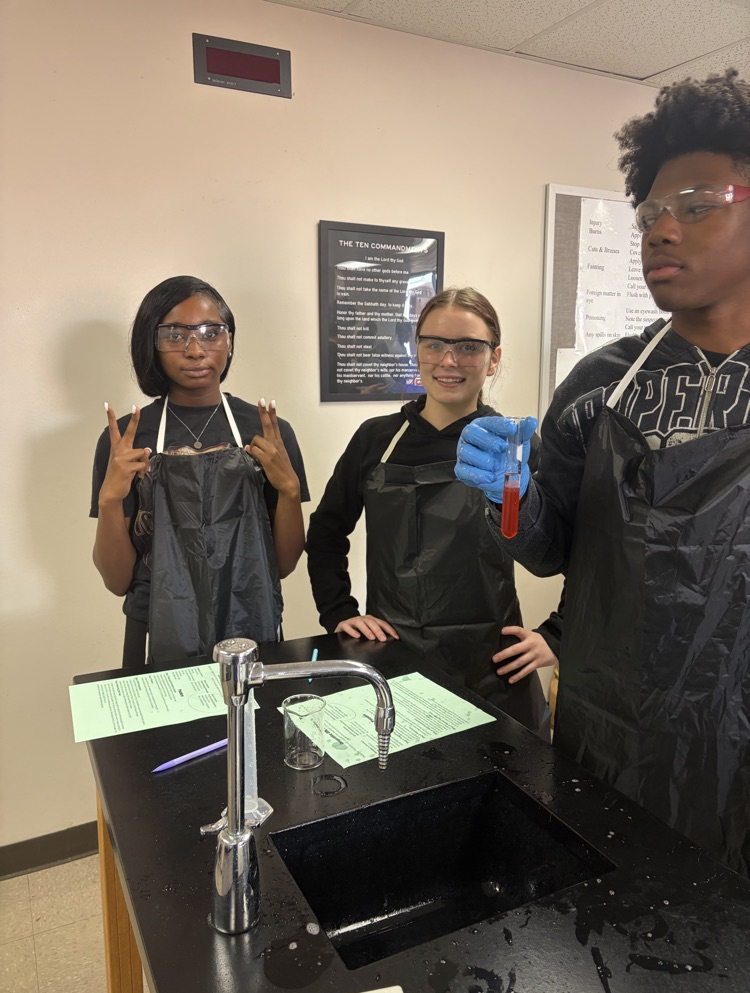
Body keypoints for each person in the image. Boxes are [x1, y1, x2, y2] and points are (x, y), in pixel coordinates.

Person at [455, 70, 750, 876]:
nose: (660, 230)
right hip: (614, 731)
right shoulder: (600, 385)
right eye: (650, 212)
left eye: (696, 205)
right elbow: (552, 550)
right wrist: (508, 493)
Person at [306, 287, 555, 734]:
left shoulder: (514, 446)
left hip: (493, 664)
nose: (449, 360)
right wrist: (338, 610)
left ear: (493, 358)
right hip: (394, 656)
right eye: (434, 343)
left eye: (468, 346)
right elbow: (326, 531)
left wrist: (558, 635)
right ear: (416, 349)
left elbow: (577, 544)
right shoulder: (376, 440)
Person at [91, 275, 309, 667]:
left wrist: (290, 491)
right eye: (175, 335)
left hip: (249, 618)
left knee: (253, 727)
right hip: (154, 625)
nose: (195, 349)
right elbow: (116, 581)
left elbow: (284, 565)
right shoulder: (125, 438)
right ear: (151, 344)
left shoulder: (268, 431)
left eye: (211, 333)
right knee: (162, 730)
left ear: (229, 341)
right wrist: (109, 501)